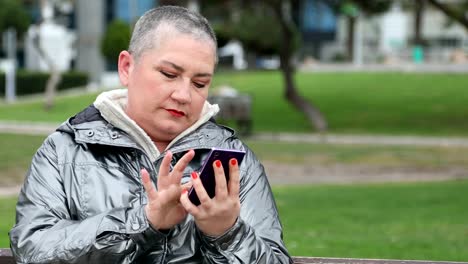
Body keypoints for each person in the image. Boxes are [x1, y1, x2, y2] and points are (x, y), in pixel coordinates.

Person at [9, 5, 292, 264]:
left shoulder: (233, 162)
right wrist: (144, 221)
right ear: (126, 67)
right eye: (169, 74)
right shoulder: (66, 150)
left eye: (200, 82)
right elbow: (33, 250)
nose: (183, 95)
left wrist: (228, 233)